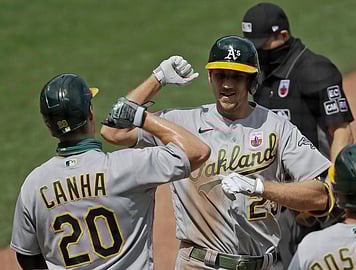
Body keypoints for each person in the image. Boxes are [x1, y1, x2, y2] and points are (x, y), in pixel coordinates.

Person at [101, 35, 335, 270]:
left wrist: (260, 188)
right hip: (200, 264)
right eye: (220, 75)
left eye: (236, 76)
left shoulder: (276, 126)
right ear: (211, 77)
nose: (227, 84)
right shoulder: (182, 124)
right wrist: (158, 78)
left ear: (251, 81)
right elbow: (113, 132)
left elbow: (320, 196)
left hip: (262, 264)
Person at [10, 72, 210, 269]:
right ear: (90, 112)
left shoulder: (33, 184)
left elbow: (27, 257)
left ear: (48, 125)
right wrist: (141, 116)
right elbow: (197, 151)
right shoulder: (128, 167)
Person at [241, 3, 355, 267]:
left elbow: (342, 131)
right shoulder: (259, 73)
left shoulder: (314, 70)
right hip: (273, 192)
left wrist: (330, 187)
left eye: (260, 44)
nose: (256, 51)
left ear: (282, 36)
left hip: (312, 195)